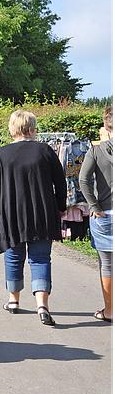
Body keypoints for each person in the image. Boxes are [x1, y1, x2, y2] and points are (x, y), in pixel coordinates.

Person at [0, 110, 66, 326]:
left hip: (11, 216)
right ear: (32, 128)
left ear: (13, 129)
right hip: (42, 214)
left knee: (13, 257)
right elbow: (60, 183)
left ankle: (13, 301)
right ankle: (42, 306)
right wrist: (61, 207)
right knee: (40, 258)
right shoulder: (45, 151)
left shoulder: (1, 154)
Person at [79, 105, 112, 322]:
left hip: (105, 214)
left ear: (106, 127)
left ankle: (110, 311)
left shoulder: (96, 151)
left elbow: (83, 180)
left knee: (107, 264)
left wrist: (94, 206)